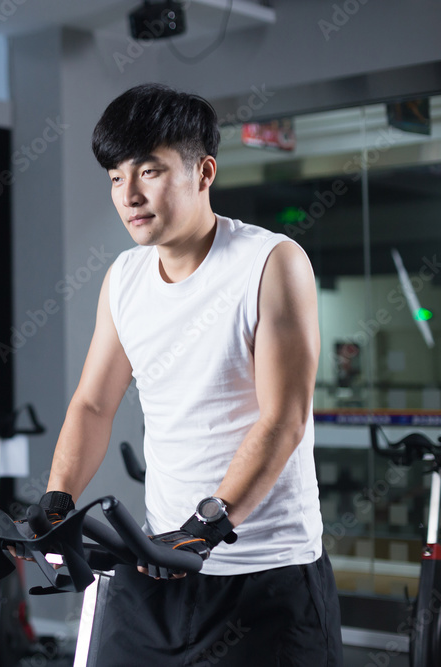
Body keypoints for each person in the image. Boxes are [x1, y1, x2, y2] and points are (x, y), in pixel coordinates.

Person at [37, 83, 342, 665]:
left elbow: (283, 420)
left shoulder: (270, 263)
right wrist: (57, 498)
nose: (128, 194)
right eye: (115, 177)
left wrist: (211, 522)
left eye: (148, 171)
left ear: (204, 172)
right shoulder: (124, 278)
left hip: (266, 575)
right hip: (160, 565)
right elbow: (93, 405)